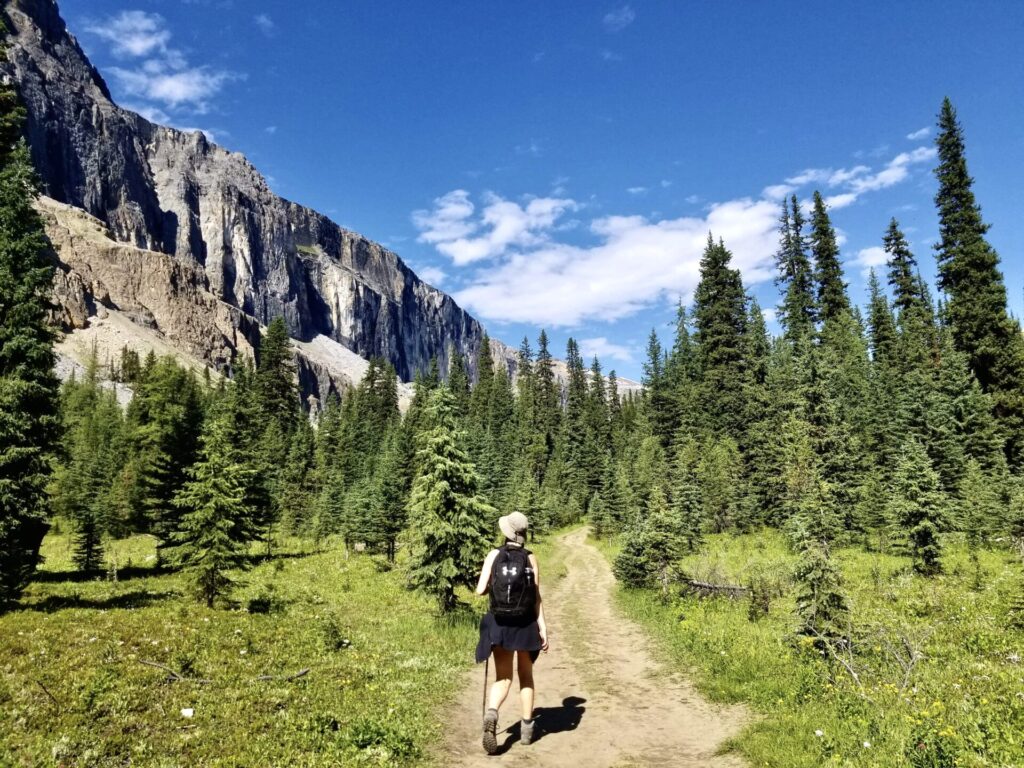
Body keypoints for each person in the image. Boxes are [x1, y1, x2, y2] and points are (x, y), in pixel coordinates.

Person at [474, 511, 549, 754]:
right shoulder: (531, 557)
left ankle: (492, 713)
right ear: (523, 534)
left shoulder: (494, 554)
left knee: (503, 677)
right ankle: (527, 731)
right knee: (525, 675)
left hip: (500, 623)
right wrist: (543, 628)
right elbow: (536, 597)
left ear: (505, 532)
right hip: (526, 624)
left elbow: (480, 590)